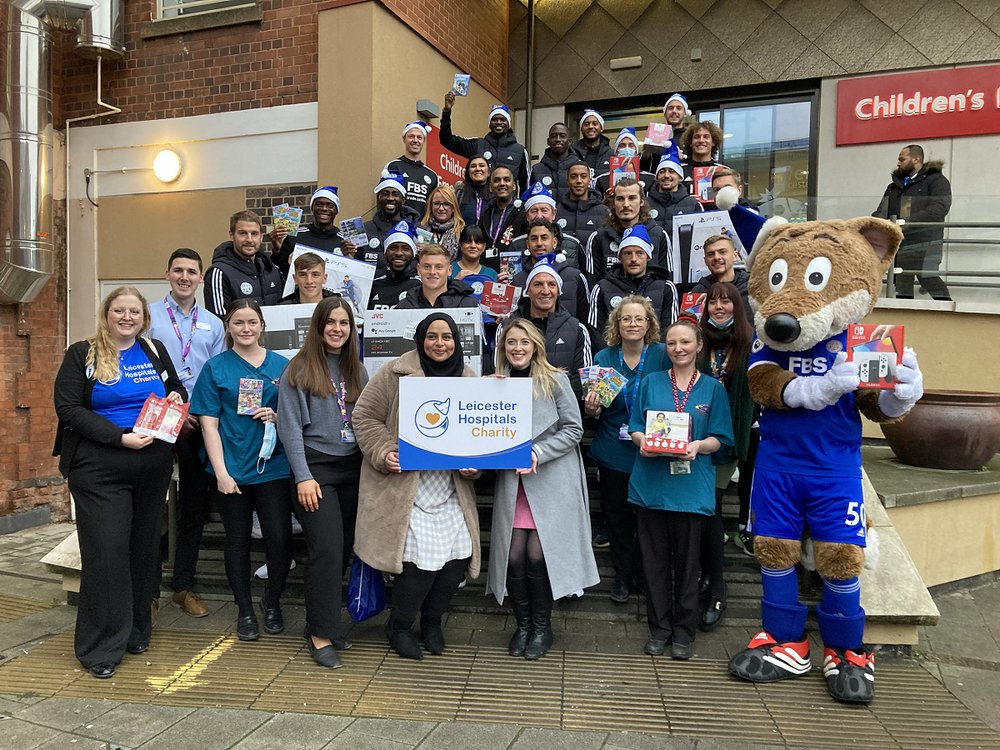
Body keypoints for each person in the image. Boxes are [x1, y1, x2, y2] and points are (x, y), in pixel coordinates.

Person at [53, 287, 186, 679]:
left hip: (152, 461)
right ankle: (99, 647)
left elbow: (175, 387)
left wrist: (176, 401)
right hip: (100, 464)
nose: (127, 317)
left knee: (143, 548)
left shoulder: (155, 351)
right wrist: (119, 437)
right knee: (107, 551)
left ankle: (135, 630)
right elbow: (68, 408)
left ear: (144, 316)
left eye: (134, 311)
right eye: (119, 311)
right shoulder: (83, 354)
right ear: (106, 314)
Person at [353, 313, 482, 659]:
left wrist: (475, 465)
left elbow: (477, 435)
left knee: (455, 561)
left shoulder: (470, 379)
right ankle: (399, 625)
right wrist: (383, 451)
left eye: (447, 337)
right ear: (420, 339)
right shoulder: (394, 373)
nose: (440, 343)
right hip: (406, 488)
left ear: (457, 342)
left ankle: (432, 621)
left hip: (451, 488)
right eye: (432, 337)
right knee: (419, 566)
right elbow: (364, 417)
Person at [488, 319, 599, 659]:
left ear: (536, 345)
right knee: (513, 556)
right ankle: (523, 626)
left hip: (550, 480)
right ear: (503, 348)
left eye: (524, 342)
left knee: (538, 556)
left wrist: (538, 452)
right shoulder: (494, 385)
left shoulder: (556, 380)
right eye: (511, 343)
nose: (517, 348)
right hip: (514, 483)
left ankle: (542, 627)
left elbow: (573, 429)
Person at [628, 320, 733, 659]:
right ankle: (659, 629)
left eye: (685, 342)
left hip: (691, 487)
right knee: (654, 563)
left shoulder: (713, 389)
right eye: (671, 343)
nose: (678, 349)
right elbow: (634, 426)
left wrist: (699, 445)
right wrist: (642, 440)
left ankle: (683, 633)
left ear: (699, 345)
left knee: (688, 565)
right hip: (651, 483)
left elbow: (721, 439)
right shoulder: (651, 382)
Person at [190, 299, 293, 642]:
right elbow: (208, 424)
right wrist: (220, 472)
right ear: (228, 327)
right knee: (237, 542)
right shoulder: (215, 368)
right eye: (238, 323)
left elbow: (295, 418)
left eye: (252, 322)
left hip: (273, 467)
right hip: (231, 468)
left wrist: (277, 417)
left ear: (262, 325)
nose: (246, 329)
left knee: (279, 539)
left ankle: (273, 602)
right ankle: (245, 610)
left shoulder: (283, 367)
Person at [277, 297, 368, 669]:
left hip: (352, 469)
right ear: (318, 327)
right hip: (315, 471)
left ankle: (326, 621)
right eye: (330, 323)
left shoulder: (357, 370)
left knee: (343, 549)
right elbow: (290, 430)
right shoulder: (298, 370)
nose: (337, 329)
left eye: (344, 323)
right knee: (326, 548)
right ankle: (319, 634)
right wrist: (303, 477)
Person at [148, 250, 226, 620]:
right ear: (167, 274)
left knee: (194, 508)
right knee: (149, 505)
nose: (184, 276)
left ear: (199, 278)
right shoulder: (148, 316)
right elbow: (140, 370)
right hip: (160, 421)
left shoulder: (213, 323)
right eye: (177, 269)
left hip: (199, 423)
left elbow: (217, 372)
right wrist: (175, 411)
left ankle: (183, 587)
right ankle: (147, 591)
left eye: (191, 271)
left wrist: (199, 412)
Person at [584, 296, 668, 605]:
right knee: (617, 518)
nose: (632, 324)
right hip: (614, 452)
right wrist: (591, 407)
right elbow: (595, 412)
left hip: (651, 450)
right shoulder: (604, 358)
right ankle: (622, 576)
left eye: (638, 319)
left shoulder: (662, 355)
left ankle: (647, 576)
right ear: (617, 325)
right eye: (626, 319)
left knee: (648, 519)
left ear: (649, 324)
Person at [696, 283, 756, 632]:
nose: (719, 307)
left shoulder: (750, 345)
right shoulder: (697, 342)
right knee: (702, 512)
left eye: (726, 302)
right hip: (691, 440)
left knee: (711, 511)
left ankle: (717, 586)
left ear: (737, 306)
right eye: (713, 302)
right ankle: (704, 577)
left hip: (726, 441)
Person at [499, 258, 593, 402]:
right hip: (516, 409)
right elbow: (499, 371)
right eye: (538, 284)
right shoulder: (506, 327)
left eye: (551, 284)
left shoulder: (577, 329)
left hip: (562, 413)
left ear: (559, 291)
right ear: (527, 291)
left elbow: (582, 382)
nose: (545, 291)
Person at [873, 144, 953, 300]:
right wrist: (871, 226)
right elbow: (881, 212)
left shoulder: (937, 181)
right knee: (901, 281)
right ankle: (904, 319)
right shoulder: (894, 187)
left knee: (928, 278)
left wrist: (906, 222)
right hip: (901, 242)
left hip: (927, 241)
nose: (898, 163)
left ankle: (950, 313)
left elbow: (940, 207)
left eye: (902, 159)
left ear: (916, 159)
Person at [589, 223, 678, 341]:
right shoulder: (601, 288)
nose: (634, 259)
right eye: (628, 253)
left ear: (648, 256)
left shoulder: (666, 288)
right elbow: (596, 333)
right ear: (620, 257)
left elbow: (670, 331)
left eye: (640, 253)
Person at [586, 178, 674, 281]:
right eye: (620, 199)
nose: (626, 204)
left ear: (641, 201)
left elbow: (667, 281)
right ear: (613, 203)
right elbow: (594, 283)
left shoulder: (659, 235)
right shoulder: (598, 237)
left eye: (632, 198)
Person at [440, 93, 530, 192]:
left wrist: (520, 206)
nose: (499, 122)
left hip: (507, 205)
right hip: (479, 204)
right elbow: (447, 141)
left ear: (508, 124)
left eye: (503, 119)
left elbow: (526, 184)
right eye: (495, 119)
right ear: (489, 124)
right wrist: (447, 112)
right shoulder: (477, 145)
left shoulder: (520, 151)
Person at [204, 210, 283, 317]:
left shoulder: (273, 270)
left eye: (254, 234)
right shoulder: (219, 273)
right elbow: (219, 321)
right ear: (232, 235)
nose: (249, 239)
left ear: (261, 237)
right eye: (243, 233)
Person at [510, 218, 590, 322]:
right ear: (527, 244)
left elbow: (586, 320)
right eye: (534, 239)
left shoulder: (575, 277)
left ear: (554, 242)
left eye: (544, 238)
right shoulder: (517, 280)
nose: (539, 243)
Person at [270, 187, 355, 278]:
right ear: (312, 208)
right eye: (319, 204)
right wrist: (277, 250)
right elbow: (280, 272)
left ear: (336, 210)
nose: (324, 209)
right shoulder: (294, 237)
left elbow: (354, 276)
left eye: (330, 205)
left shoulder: (346, 242)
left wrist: (350, 258)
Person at [504, 182, 583, 270]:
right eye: (534, 211)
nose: (539, 216)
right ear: (527, 216)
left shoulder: (573, 244)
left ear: (554, 214)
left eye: (544, 210)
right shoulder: (516, 245)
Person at [361, 171, 423, 275]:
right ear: (378, 198)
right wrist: (348, 254)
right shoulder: (364, 229)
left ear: (403, 200)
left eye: (395, 194)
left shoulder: (419, 231)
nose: (390, 198)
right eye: (385, 193)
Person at [690, 234, 752, 323]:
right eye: (711, 254)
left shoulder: (752, 287)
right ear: (705, 261)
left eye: (722, 252)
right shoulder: (697, 292)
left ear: (735, 256)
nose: (716, 257)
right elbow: (690, 327)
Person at [384, 121, 439, 219]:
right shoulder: (394, 166)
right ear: (404, 139)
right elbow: (384, 199)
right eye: (411, 136)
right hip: (396, 227)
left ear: (424, 141)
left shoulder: (432, 175)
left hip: (421, 230)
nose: (415, 140)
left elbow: (434, 208)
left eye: (419, 137)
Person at [397, 244, 478, 309]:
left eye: (439, 267)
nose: (432, 272)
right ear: (418, 269)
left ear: (449, 270)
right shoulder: (404, 307)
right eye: (427, 267)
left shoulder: (468, 305)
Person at [647, 142, 702, 236]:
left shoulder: (693, 205)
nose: (666, 176)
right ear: (656, 177)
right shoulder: (644, 204)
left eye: (672, 171)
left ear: (680, 177)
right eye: (662, 171)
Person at [478, 165, 523, 270]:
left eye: (506, 180)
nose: (502, 183)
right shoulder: (485, 215)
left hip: (514, 273)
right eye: (497, 180)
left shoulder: (523, 213)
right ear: (490, 187)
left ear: (514, 185)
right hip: (488, 273)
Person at [368, 221, 420, 310]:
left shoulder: (420, 286)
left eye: (406, 249)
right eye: (393, 248)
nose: (399, 253)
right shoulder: (373, 284)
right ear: (385, 253)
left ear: (413, 254)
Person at [558, 160, 610, 246]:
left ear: (589, 180)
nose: (579, 181)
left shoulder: (603, 211)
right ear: (567, 181)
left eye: (583, 176)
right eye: (574, 177)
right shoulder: (557, 211)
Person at [594, 128, 657, 196]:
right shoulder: (602, 180)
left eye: (631, 145)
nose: (627, 149)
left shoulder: (650, 179)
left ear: (636, 151)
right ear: (616, 151)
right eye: (622, 145)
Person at [421, 184, 465, 261]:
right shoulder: (421, 229)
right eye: (437, 203)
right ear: (431, 206)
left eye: (446, 204)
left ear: (453, 208)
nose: (441, 208)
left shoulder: (462, 232)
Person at [531, 122, 574, 197]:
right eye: (554, 136)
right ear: (548, 141)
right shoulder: (536, 170)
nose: (558, 139)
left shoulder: (578, 168)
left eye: (562, 136)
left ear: (570, 141)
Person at [569, 109, 613, 180]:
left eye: (595, 124)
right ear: (581, 129)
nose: (590, 127)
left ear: (601, 128)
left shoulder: (612, 155)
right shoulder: (572, 153)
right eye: (586, 124)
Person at [456, 154, 491, 227]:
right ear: (468, 173)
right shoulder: (459, 194)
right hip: (463, 237)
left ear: (488, 173)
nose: (478, 169)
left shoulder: (495, 196)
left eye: (481, 165)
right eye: (473, 166)